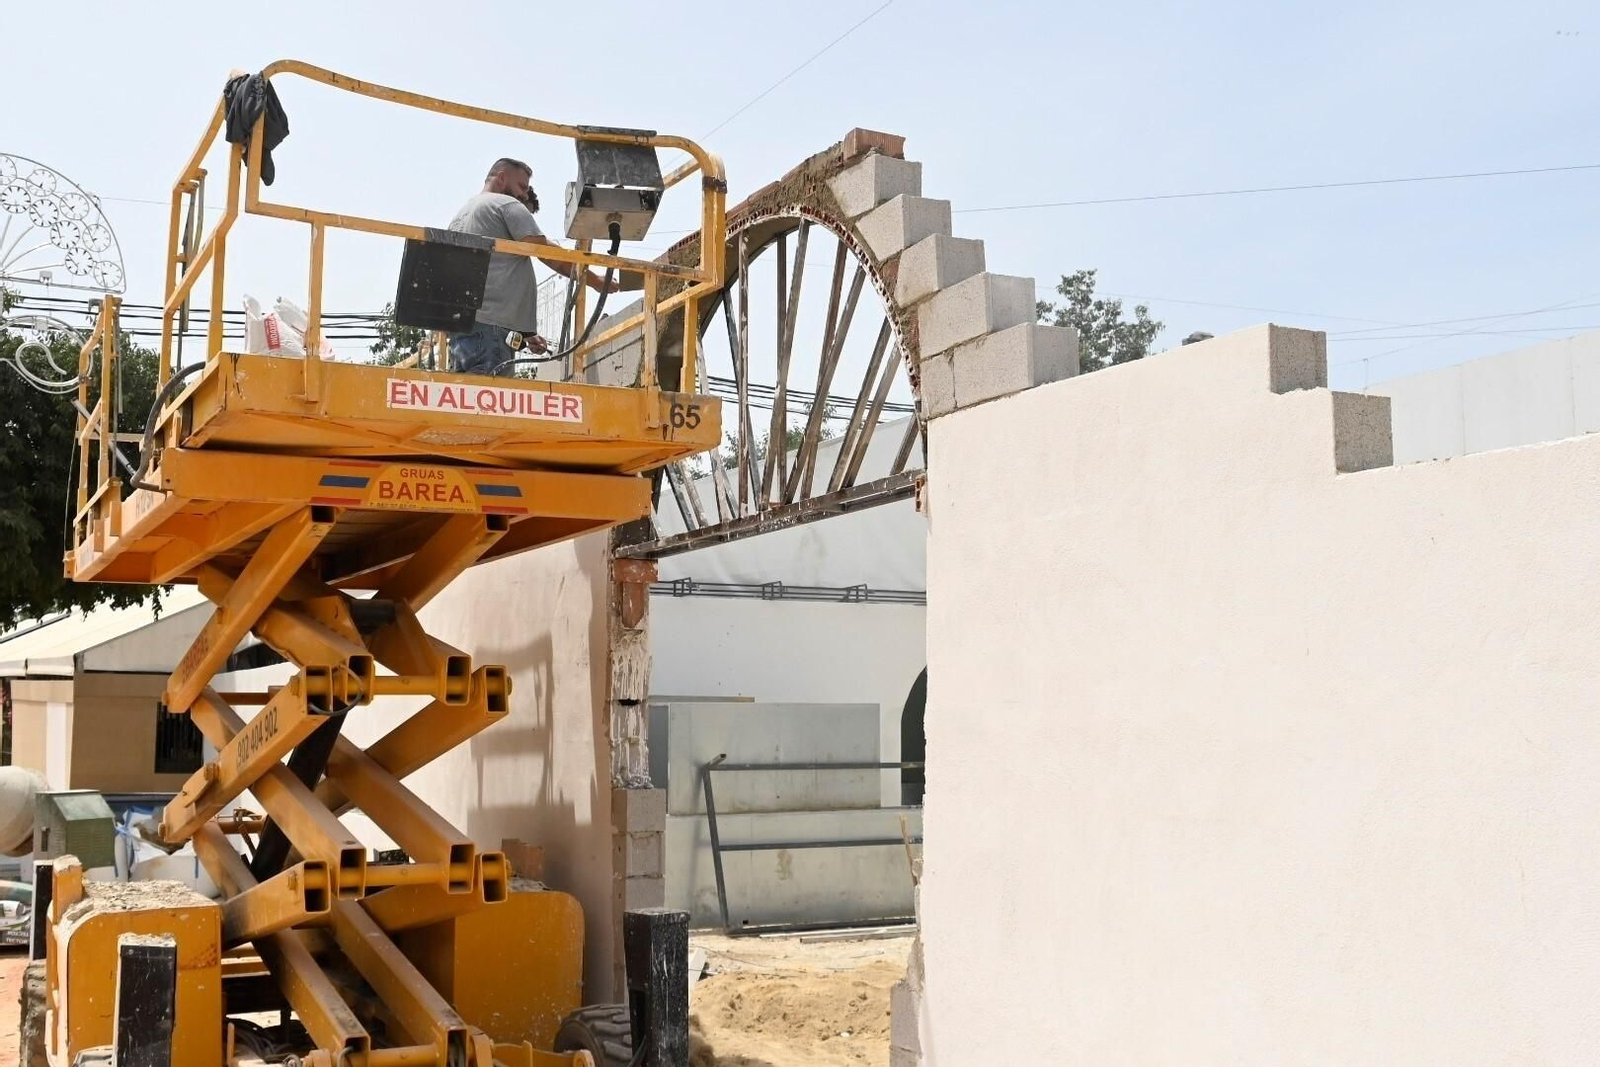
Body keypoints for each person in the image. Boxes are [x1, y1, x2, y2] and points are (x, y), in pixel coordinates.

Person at [446, 157, 616, 376]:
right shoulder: (504, 204)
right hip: (491, 332)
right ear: (502, 177)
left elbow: (491, 275)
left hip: (464, 333)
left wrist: (525, 334)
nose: (525, 194)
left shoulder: (461, 216)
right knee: (491, 404)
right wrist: (595, 280)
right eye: (522, 187)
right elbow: (545, 253)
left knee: (470, 401)